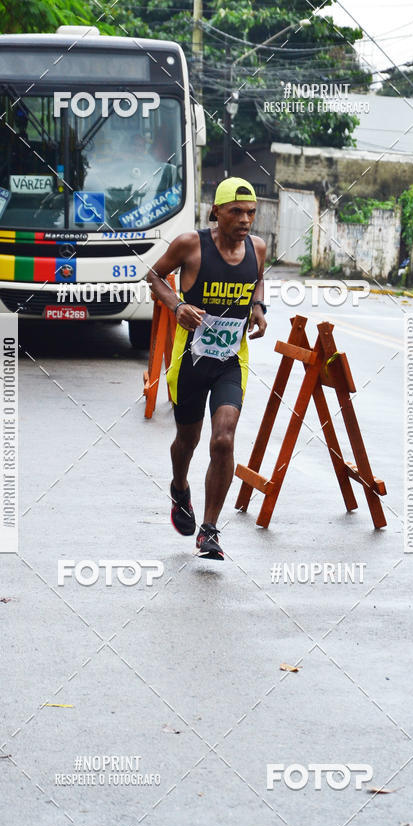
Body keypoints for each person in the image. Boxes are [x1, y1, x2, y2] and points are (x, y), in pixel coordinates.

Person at [147, 177, 267, 560]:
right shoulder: (191, 245)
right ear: (216, 211)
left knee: (223, 439)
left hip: (231, 360)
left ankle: (210, 530)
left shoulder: (257, 248)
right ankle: (180, 487)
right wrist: (178, 306)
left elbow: (257, 279)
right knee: (188, 440)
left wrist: (258, 307)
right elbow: (154, 276)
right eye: (236, 211)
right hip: (190, 361)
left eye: (250, 213)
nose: (245, 220)